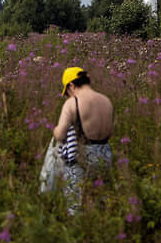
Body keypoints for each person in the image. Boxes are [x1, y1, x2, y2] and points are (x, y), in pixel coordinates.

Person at [53, 67, 113, 213]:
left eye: (66, 91)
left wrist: (55, 131)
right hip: (105, 155)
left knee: (74, 198)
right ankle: (103, 220)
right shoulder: (106, 101)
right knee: (102, 196)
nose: (67, 96)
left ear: (71, 86)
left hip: (84, 156)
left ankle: (75, 221)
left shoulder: (72, 103)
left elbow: (60, 135)